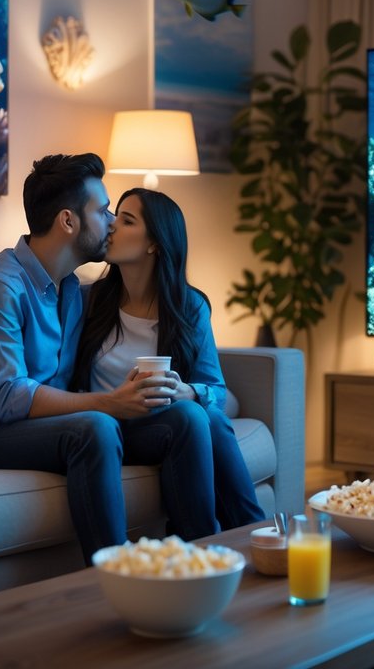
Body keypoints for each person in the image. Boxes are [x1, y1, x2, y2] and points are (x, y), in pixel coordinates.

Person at [0, 154, 173, 562]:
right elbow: (10, 398)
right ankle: (115, 573)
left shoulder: (71, 289)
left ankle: (204, 555)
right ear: (67, 221)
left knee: (180, 421)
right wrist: (109, 403)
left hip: (42, 427)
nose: (112, 221)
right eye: (102, 210)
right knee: (94, 427)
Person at [71, 187, 265, 540]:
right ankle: (217, 541)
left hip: (160, 429)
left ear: (154, 244)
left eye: (126, 220)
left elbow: (217, 391)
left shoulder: (189, 306)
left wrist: (185, 390)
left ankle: (252, 536)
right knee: (199, 418)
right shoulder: (87, 301)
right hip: (104, 430)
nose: (111, 225)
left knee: (207, 416)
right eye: (114, 215)